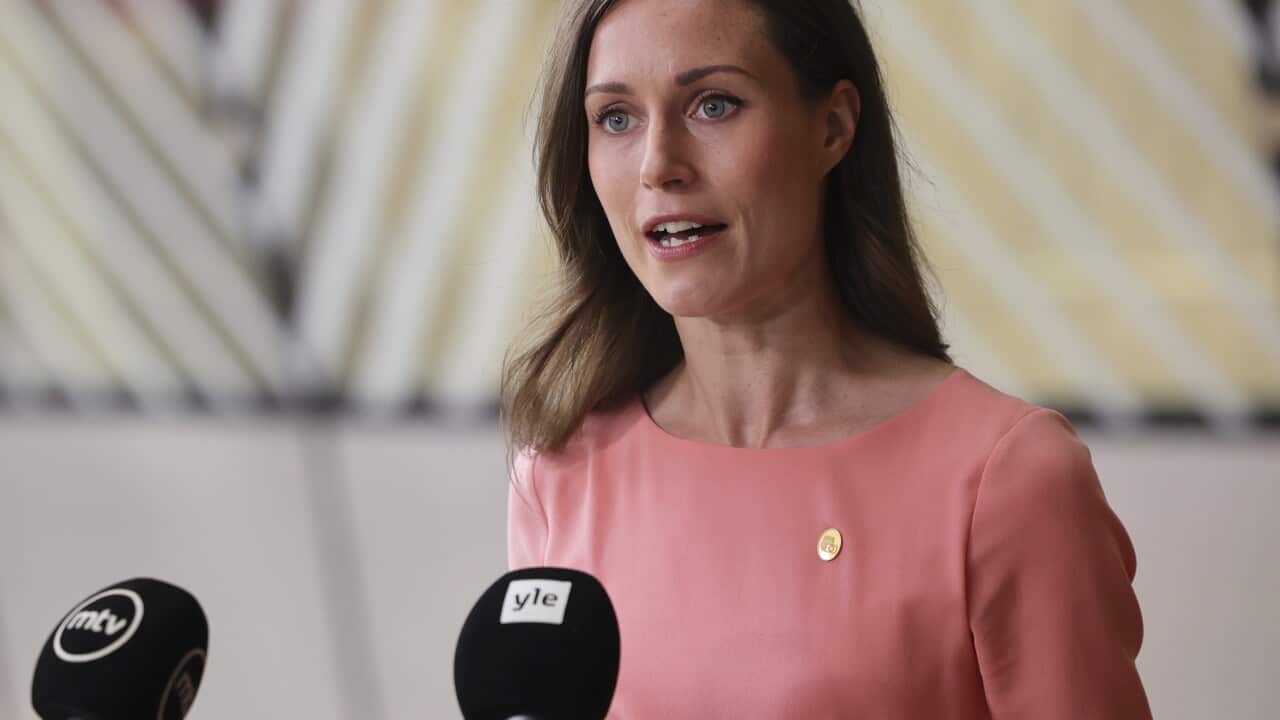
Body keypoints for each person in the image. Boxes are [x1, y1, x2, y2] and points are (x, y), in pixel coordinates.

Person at [500, 0, 1152, 717]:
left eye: (714, 105)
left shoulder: (1008, 479)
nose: (659, 166)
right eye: (616, 118)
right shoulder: (561, 478)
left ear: (833, 126)